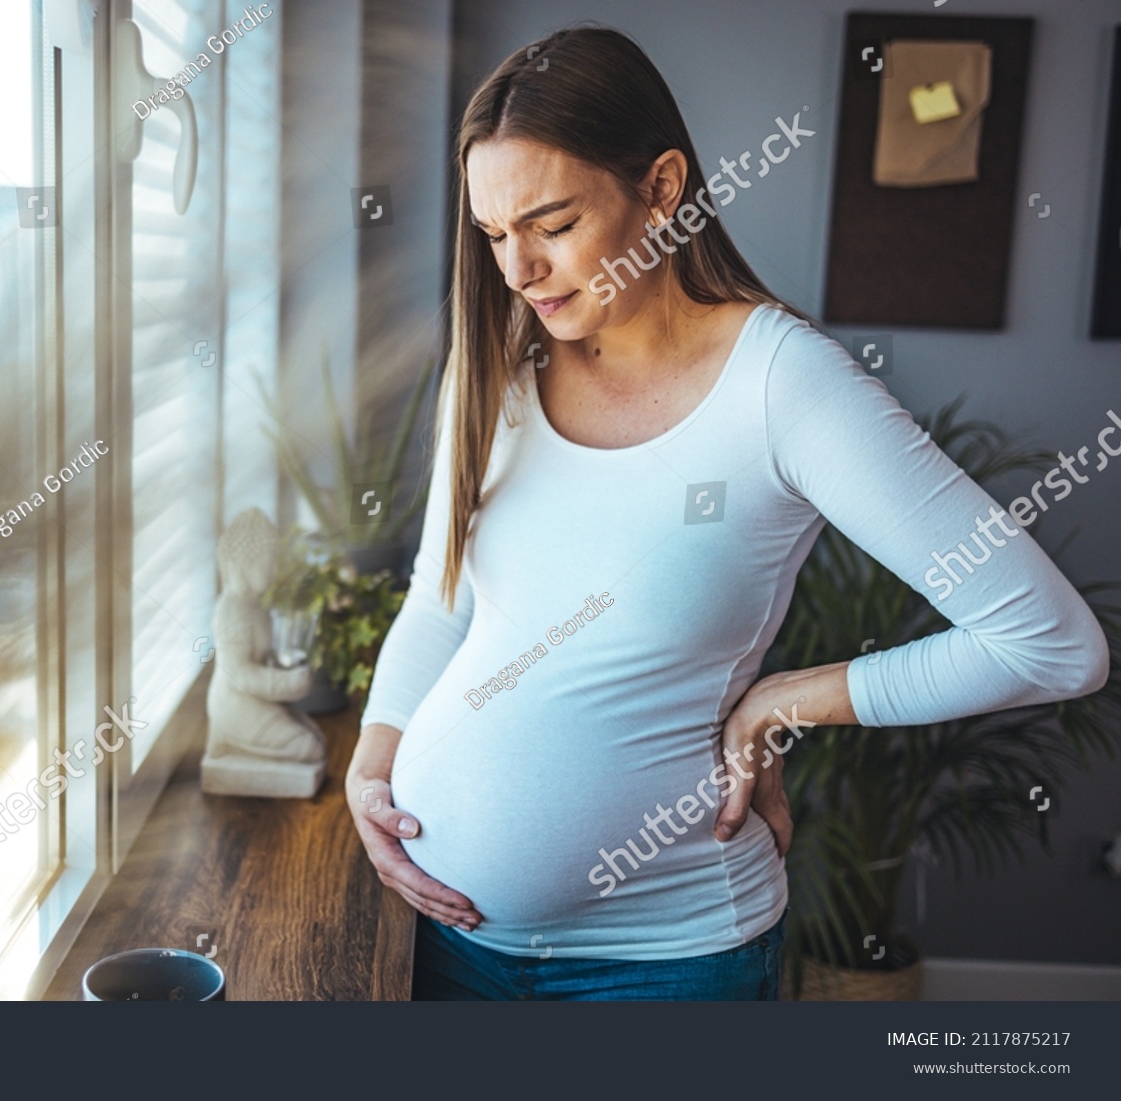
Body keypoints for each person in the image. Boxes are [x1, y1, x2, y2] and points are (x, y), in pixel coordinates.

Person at [345, 26, 1109, 1001]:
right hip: (447, 943)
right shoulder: (497, 363)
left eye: (552, 222)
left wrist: (783, 701)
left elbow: (1052, 644)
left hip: (667, 963)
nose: (518, 270)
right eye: (495, 235)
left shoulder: (784, 386)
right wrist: (373, 769)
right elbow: (442, 599)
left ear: (661, 188)